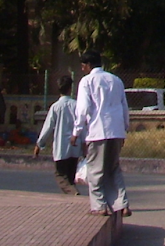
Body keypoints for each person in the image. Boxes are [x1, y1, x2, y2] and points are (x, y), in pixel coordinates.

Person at [71, 51, 131, 217]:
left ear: (88, 65)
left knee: (95, 170)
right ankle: (122, 204)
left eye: (83, 66)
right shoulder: (116, 80)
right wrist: (125, 128)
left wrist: (76, 131)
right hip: (116, 130)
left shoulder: (87, 81)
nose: (82, 69)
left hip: (97, 131)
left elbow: (83, 109)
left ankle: (99, 206)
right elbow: (124, 106)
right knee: (113, 168)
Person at [34, 78, 81, 195]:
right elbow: (83, 125)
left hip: (61, 147)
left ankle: (72, 192)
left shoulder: (56, 107)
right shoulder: (77, 106)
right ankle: (72, 195)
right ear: (71, 89)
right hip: (75, 146)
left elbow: (47, 127)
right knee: (70, 175)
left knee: (60, 175)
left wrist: (39, 144)